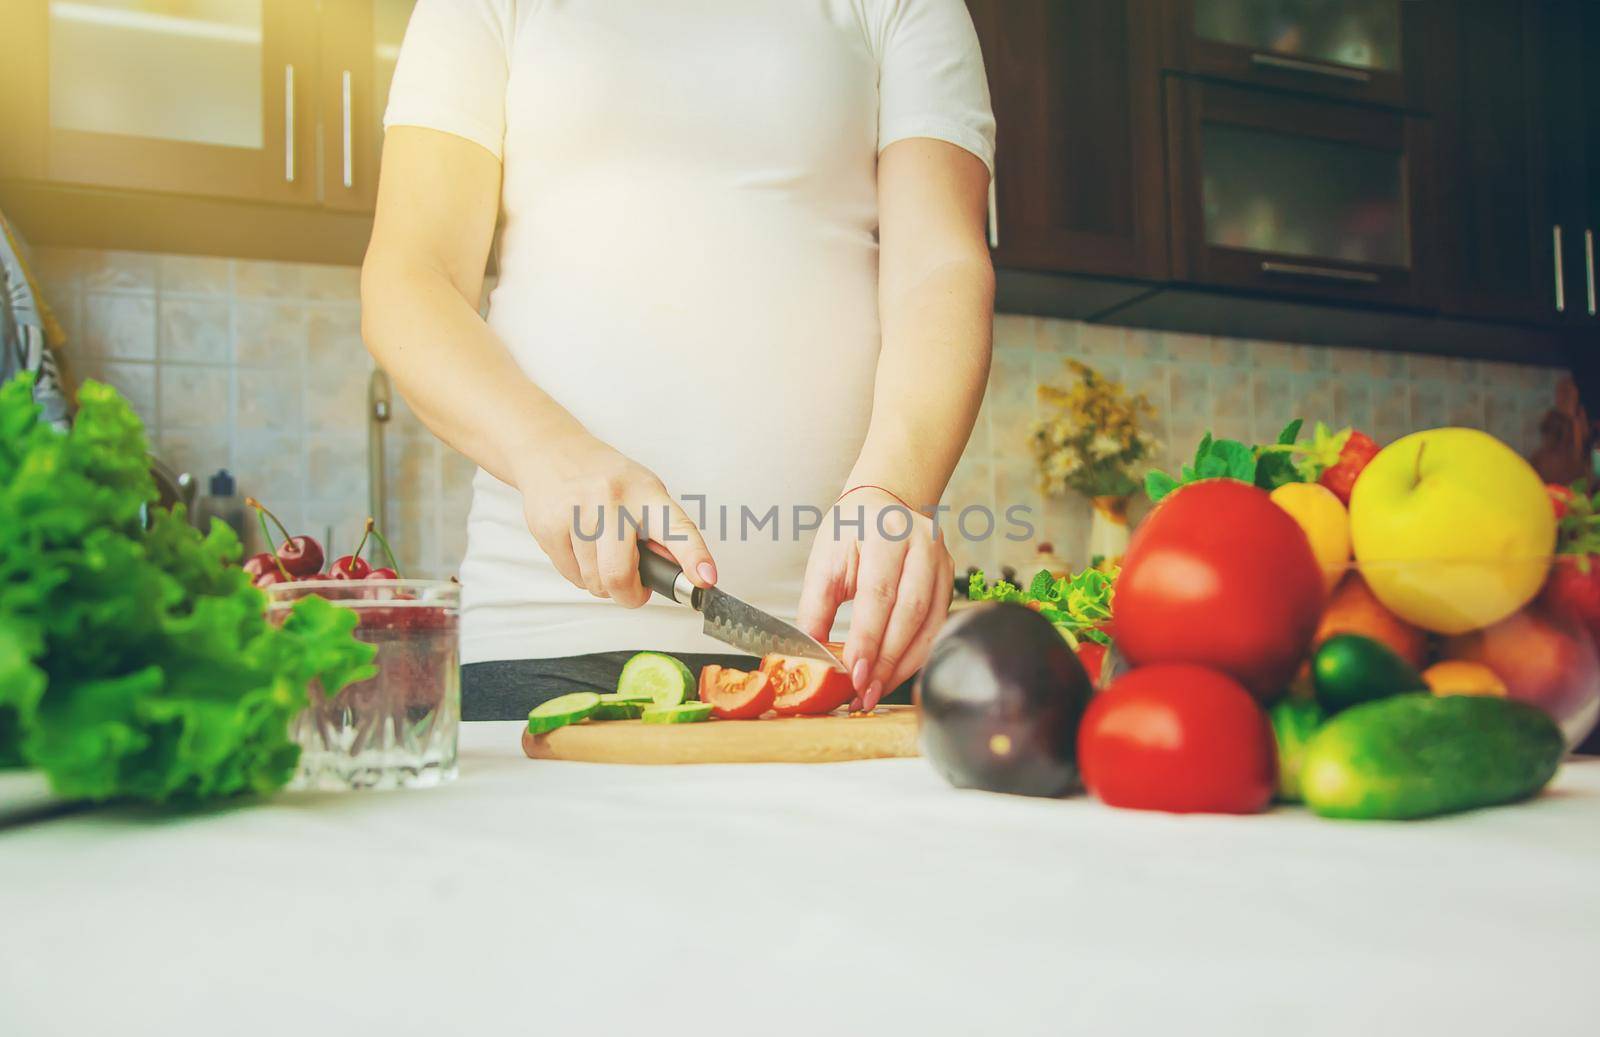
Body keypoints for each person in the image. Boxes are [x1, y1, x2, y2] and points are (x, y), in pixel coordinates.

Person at [362, 0, 996, 719]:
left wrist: (893, 489)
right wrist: (549, 451)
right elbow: (411, 277)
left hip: (840, 658)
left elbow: (938, 266)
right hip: (537, 635)